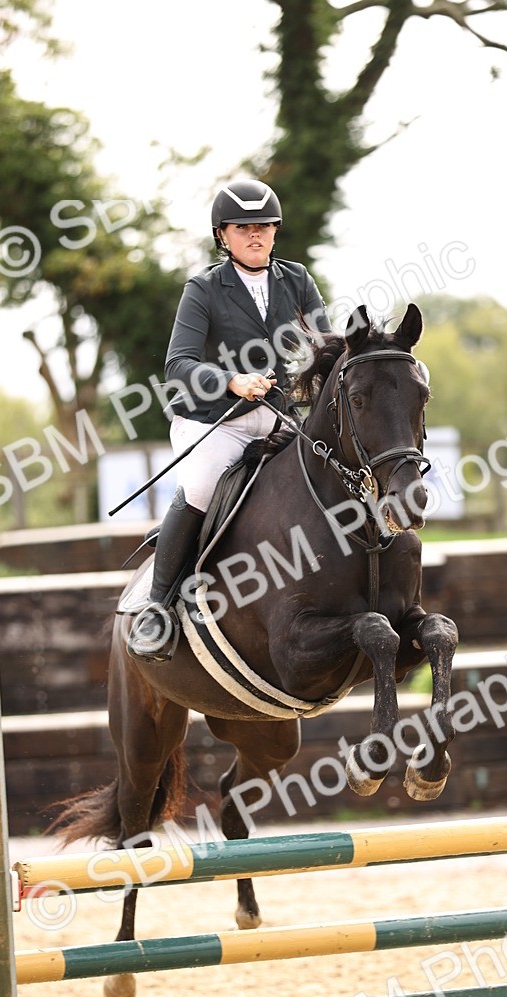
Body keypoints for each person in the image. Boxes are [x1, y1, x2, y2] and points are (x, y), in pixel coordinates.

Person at [127, 178, 331, 662]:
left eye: (263, 226)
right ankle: (157, 607)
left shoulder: (297, 279)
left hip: (278, 414)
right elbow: (177, 364)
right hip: (214, 418)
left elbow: (325, 342)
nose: (255, 235)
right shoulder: (203, 288)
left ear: (275, 232)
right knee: (200, 486)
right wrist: (231, 380)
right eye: (243, 228)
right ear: (224, 236)